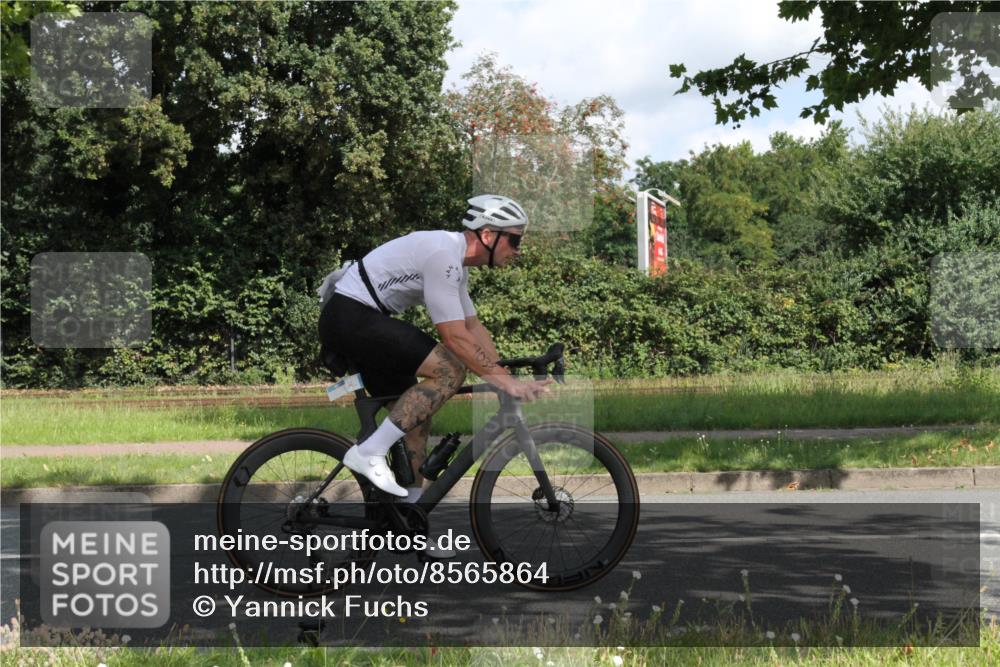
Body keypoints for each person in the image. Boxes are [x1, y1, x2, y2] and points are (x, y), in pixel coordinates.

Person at [318, 194, 552, 501]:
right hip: (351, 316)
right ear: (487, 234)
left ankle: (409, 518)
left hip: (361, 318)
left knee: (415, 418)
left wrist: (507, 377)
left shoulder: (455, 264)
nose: (518, 251)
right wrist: (504, 381)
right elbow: (454, 337)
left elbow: (472, 328)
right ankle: (370, 451)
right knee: (449, 369)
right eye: (515, 240)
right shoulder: (443, 257)